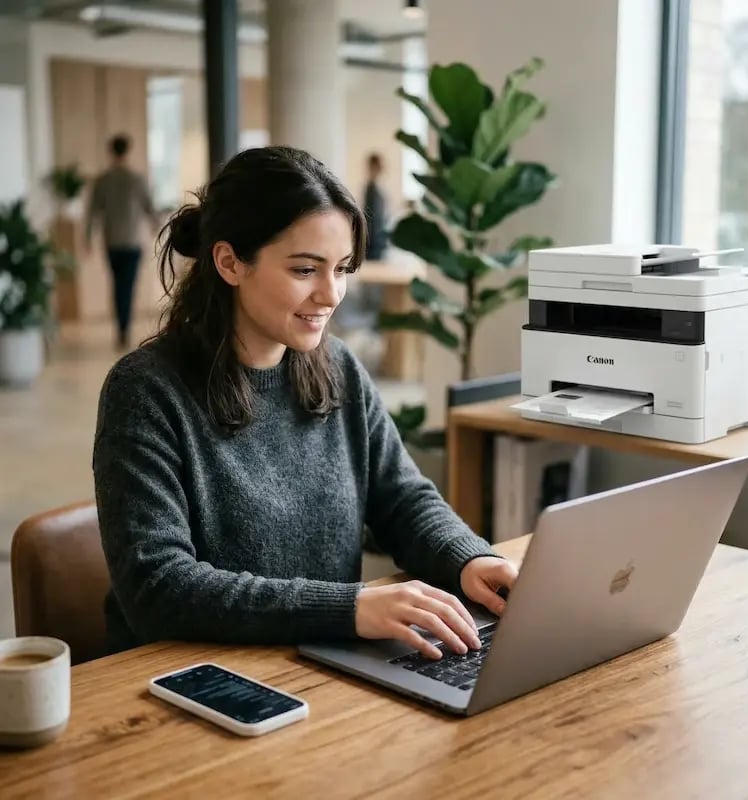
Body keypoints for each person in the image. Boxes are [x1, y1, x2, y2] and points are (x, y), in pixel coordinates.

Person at [92, 146, 517, 659]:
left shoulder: (338, 368)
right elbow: (158, 588)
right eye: (305, 270)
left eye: (341, 269)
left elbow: (402, 500)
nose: (332, 294)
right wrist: (349, 609)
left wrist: (467, 560)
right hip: (190, 680)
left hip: (318, 664)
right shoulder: (145, 391)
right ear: (229, 262)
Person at [86, 134, 158, 350]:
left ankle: (121, 328)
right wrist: (157, 226)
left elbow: (92, 213)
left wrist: (87, 239)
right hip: (133, 242)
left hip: (112, 242)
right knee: (128, 286)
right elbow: (150, 208)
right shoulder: (137, 179)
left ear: (111, 152)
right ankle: (124, 328)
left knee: (117, 286)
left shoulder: (103, 180)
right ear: (128, 151)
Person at [363, 152, 388, 260]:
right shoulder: (371, 188)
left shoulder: (376, 187)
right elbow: (371, 218)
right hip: (374, 244)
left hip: (378, 241)